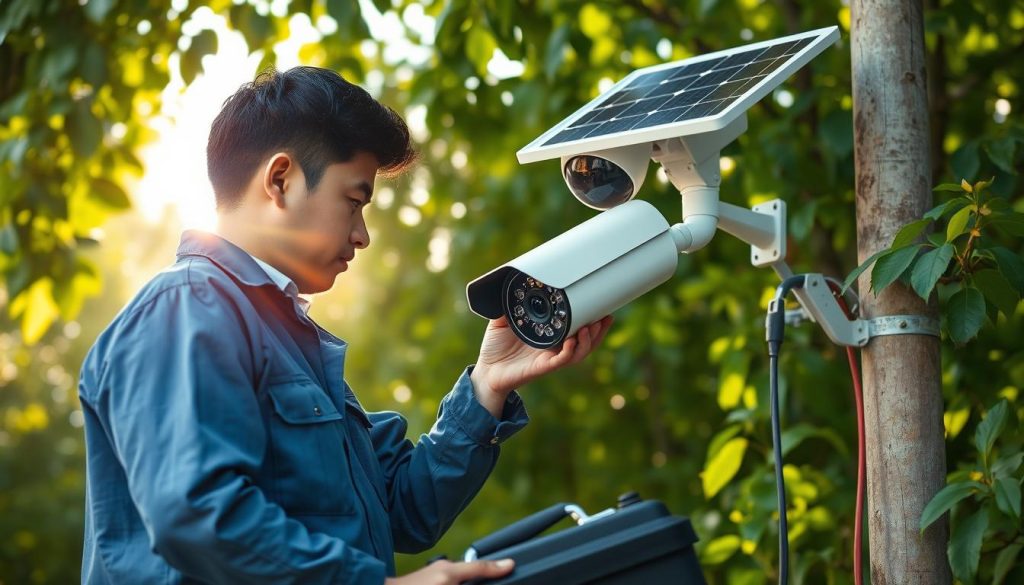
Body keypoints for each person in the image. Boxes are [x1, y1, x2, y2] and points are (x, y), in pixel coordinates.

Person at [77, 66, 613, 584]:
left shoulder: (288, 341)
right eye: (354, 201)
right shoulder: (186, 308)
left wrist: (488, 383)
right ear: (280, 180)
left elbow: (404, 512)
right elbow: (195, 513)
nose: (362, 236)